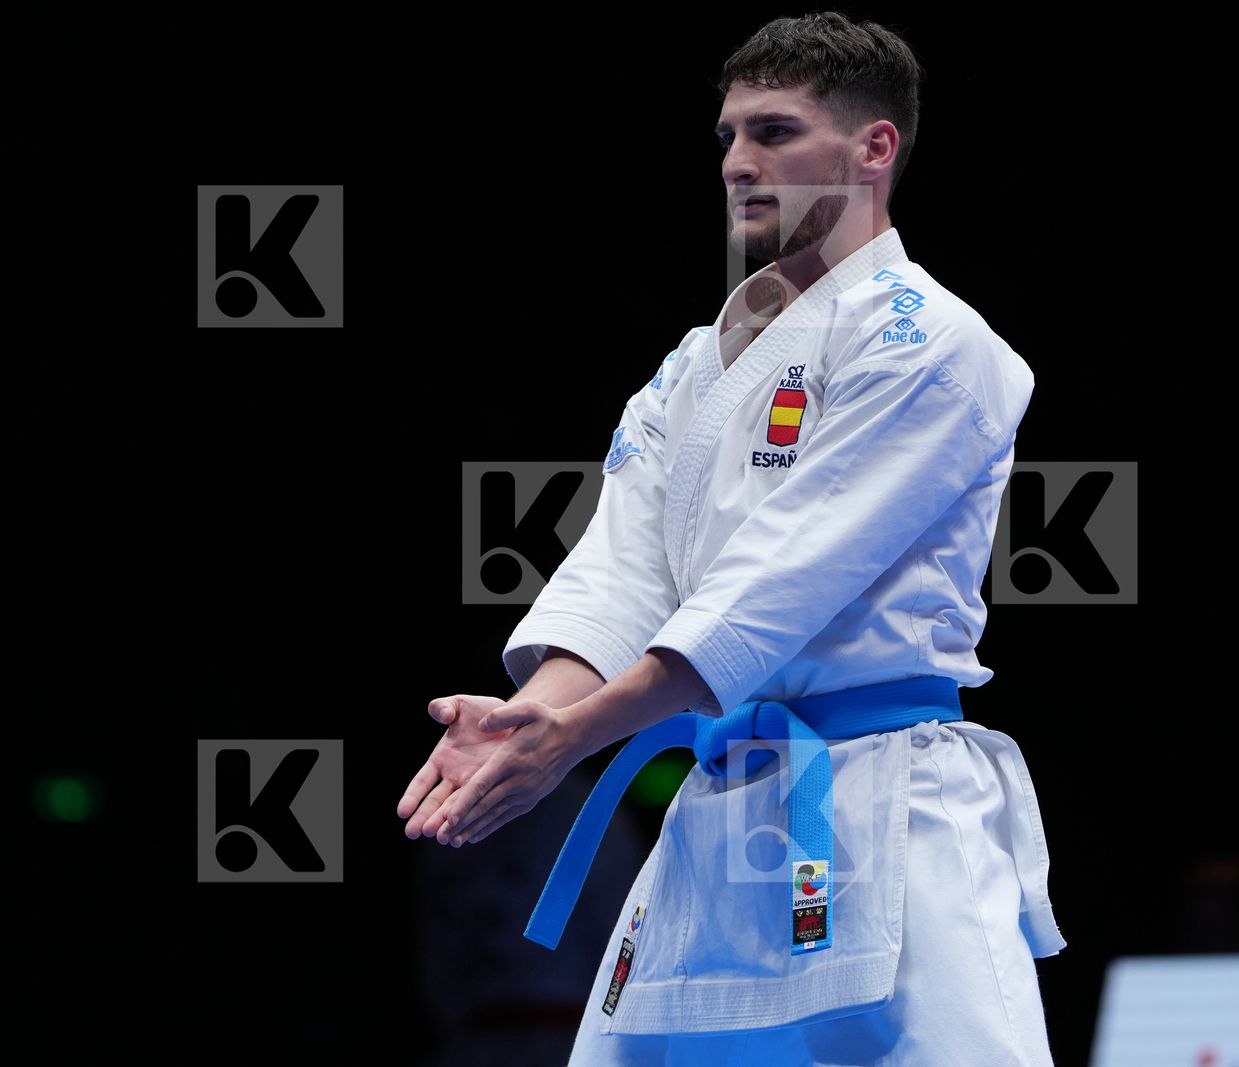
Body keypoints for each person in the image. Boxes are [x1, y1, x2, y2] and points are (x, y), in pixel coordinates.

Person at [397, 13, 1066, 1065]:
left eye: (774, 132)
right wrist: (541, 715)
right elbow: (621, 572)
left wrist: (582, 733)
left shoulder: (934, 343)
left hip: (883, 803)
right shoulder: (693, 367)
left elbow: (782, 579)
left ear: (874, 147)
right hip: (719, 802)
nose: (738, 163)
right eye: (727, 137)